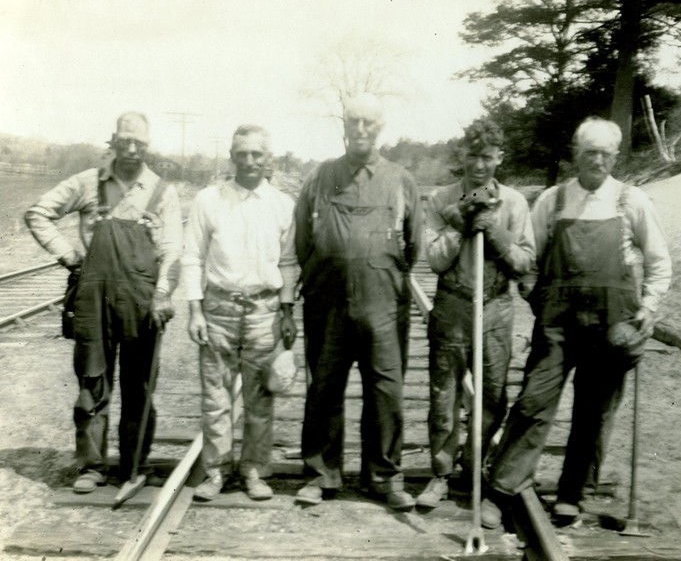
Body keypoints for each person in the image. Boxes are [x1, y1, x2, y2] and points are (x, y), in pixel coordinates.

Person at [482, 117, 672, 528]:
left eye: (605, 153)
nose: (597, 161)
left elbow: (659, 262)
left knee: (594, 412)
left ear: (615, 156)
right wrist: (534, 293)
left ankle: (572, 493)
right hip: (557, 322)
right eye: (590, 153)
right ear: (576, 154)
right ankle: (500, 492)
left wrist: (648, 307)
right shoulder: (553, 200)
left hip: (611, 324)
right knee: (534, 402)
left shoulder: (631, 201)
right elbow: (529, 255)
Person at [25, 112, 182, 493]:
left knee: (139, 383)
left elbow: (173, 248)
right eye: (124, 141)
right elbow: (38, 213)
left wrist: (163, 294)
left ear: (148, 146)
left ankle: (134, 463)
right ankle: (92, 466)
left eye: (139, 144)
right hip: (93, 297)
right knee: (92, 380)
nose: (131, 150)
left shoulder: (161, 191)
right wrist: (70, 257)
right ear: (112, 141)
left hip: (141, 300)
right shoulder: (87, 183)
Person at [293, 93, 423, 511]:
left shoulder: (401, 179)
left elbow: (415, 244)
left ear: (380, 129)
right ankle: (320, 474)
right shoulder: (321, 176)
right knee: (324, 389)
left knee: (386, 390)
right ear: (344, 127)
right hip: (327, 303)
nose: (361, 129)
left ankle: (383, 477)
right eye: (354, 121)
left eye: (368, 122)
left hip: (383, 305)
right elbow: (301, 238)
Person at [417, 119, 535, 509]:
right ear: (461, 156)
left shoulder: (515, 203)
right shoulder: (440, 199)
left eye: (487, 157)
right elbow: (433, 260)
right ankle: (440, 472)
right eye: (472, 156)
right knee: (443, 396)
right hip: (453, 304)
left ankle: (474, 467)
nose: (479, 166)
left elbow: (523, 263)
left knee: (492, 395)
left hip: (496, 306)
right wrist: (461, 224)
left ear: (499, 158)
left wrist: (496, 234)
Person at [183, 124, 298, 502]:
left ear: (269, 159)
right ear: (232, 157)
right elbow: (192, 257)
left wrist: (286, 312)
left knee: (260, 399)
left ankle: (253, 471)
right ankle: (215, 472)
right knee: (215, 398)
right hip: (219, 310)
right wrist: (195, 311)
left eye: (257, 155)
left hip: (264, 311)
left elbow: (288, 263)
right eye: (242, 154)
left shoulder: (283, 205)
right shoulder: (208, 200)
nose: (249, 162)